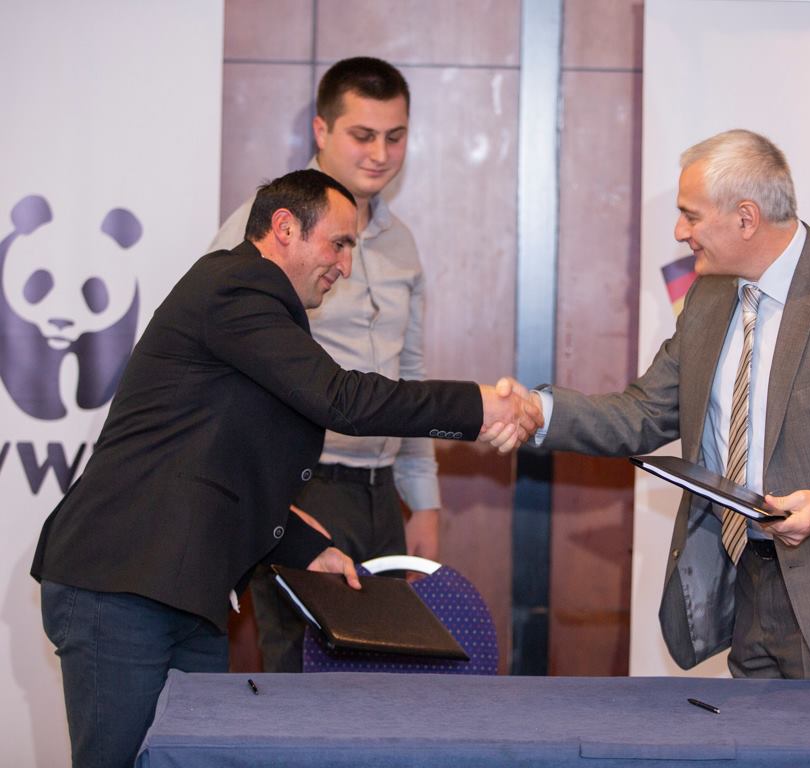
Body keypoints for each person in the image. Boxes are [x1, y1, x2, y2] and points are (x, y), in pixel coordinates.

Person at [31, 169, 537, 768]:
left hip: (184, 593)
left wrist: (304, 547)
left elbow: (215, 460)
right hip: (119, 583)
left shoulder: (256, 309)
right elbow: (342, 399)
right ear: (284, 227)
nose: (345, 265)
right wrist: (478, 406)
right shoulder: (236, 287)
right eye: (339, 244)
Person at [499, 129, 810, 680]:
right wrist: (538, 412)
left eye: (690, 216)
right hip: (748, 587)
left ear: (745, 218)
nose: (679, 232)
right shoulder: (709, 295)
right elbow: (643, 413)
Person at [211, 57, 441, 672]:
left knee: (385, 677)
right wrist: (268, 494)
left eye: (395, 136)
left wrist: (423, 499)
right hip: (303, 486)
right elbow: (218, 357)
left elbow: (408, 374)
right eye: (362, 135)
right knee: (300, 680)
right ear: (321, 130)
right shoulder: (270, 226)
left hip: (381, 493)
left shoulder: (401, 241)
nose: (380, 154)